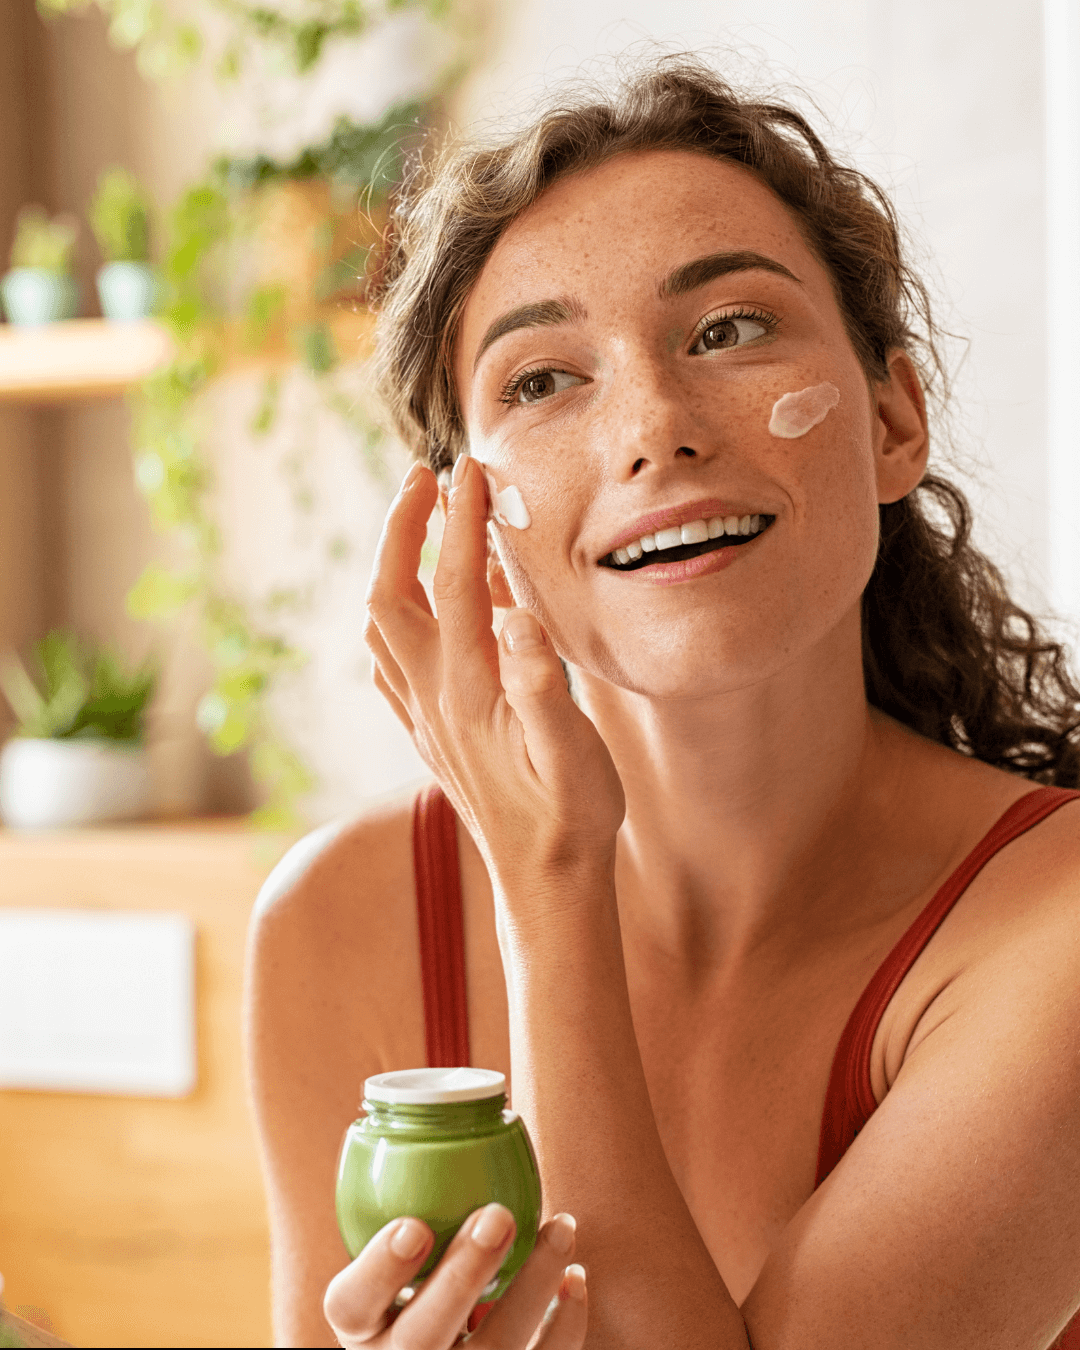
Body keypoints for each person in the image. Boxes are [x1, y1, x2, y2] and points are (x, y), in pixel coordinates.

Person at [245, 58, 1080, 1349]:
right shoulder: (340, 922)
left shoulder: (1058, 927)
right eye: (542, 380)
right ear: (466, 519)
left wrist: (552, 883)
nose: (655, 427)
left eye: (730, 329)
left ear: (894, 421)